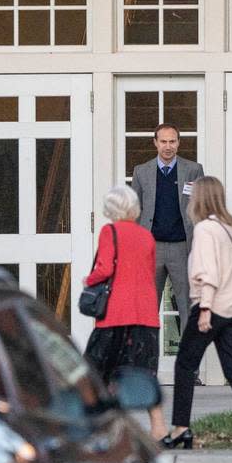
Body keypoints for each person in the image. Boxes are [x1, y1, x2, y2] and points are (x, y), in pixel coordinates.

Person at [161, 176, 232, 451]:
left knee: (185, 365)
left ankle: (180, 428)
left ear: (200, 198)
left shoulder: (204, 230)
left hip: (212, 307)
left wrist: (205, 310)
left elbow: (208, 273)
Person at [81, 185, 165, 439]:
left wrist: (89, 279)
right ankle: (159, 427)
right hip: (146, 313)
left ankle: (97, 425)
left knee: (97, 370)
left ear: (111, 209)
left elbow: (105, 268)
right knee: (144, 372)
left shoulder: (110, 231)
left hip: (116, 313)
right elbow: (149, 272)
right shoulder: (146, 235)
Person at [130, 122, 205, 334]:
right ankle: (146, 364)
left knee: (187, 307)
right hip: (150, 248)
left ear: (179, 143)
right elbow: (134, 211)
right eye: (163, 141)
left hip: (182, 247)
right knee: (146, 308)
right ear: (155, 143)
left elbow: (201, 207)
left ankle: (188, 365)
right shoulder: (141, 171)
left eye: (172, 141)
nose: (168, 146)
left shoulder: (193, 170)